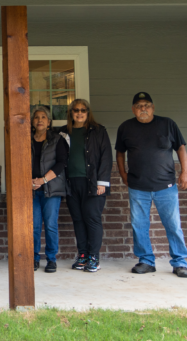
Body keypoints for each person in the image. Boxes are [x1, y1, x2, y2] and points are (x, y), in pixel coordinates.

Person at [116, 92, 187, 278]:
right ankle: (146, 260)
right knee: (139, 225)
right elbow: (119, 152)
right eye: (139, 106)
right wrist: (123, 174)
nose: (143, 109)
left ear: (153, 107)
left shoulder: (167, 124)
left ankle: (180, 262)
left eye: (147, 105)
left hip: (166, 186)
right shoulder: (125, 127)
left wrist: (185, 172)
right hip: (137, 187)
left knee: (173, 225)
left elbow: (181, 147)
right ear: (133, 109)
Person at [64, 99, 112, 273]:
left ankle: (94, 257)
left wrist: (102, 182)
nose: (79, 113)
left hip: (93, 183)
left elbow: (106, 157)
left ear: (88, 112)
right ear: (71, 113)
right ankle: (82, 254)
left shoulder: (98, 131)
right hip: (71, 183)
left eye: (83, 110)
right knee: (78, 219)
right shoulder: (64, 132)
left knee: (92, 219)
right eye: (75, 110)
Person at [30, 106, 68, 273]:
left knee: (51, 225)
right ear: (32, 122)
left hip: (51, 188)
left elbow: (61, 163)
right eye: (36, 117)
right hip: (32, 189)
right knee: (34, 226)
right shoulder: (26, 139)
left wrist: (43, 180)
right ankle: (34, 258)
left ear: (49, 122)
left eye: (43, 117)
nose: (40, 120)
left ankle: (51, 259)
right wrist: (29, 181)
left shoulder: (57, 140)